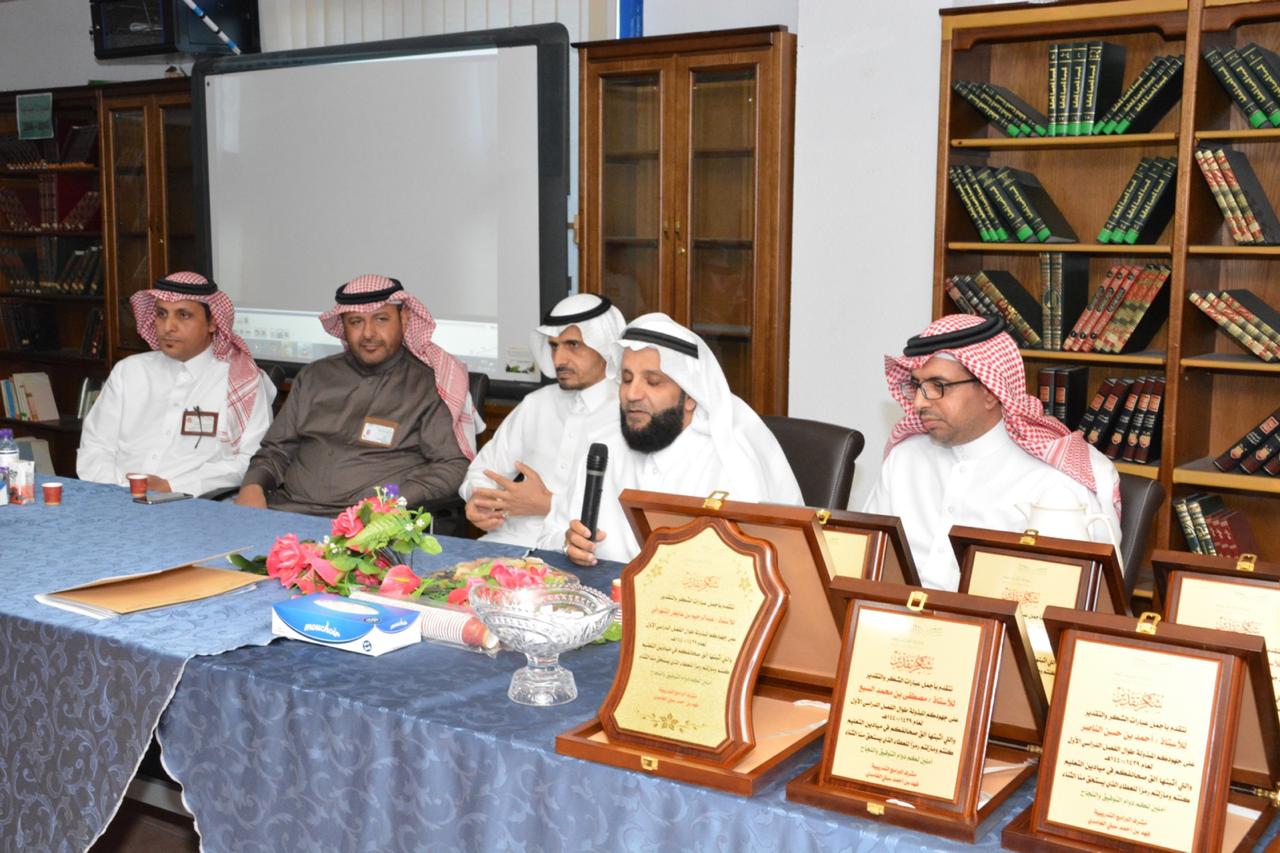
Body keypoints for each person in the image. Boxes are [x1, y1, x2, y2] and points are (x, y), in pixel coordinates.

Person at [864, 313, 1122, 591]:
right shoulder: (904, 460)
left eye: (938, 386)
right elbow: (868, 562)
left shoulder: (1055, 482)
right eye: (916, 385)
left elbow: (1077, 597)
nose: (919, 403)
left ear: (990, 391)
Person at [555, 312, 803, 566]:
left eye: (653, 382)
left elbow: (755, 569)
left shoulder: (729, 465)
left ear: (691, 396)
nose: (632, 394)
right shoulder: (602, 451)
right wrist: (569, 544)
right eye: (627, 379)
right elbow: (550, 534)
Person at [236, 274, 477, 515]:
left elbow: (452, 466)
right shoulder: (314, 376)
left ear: (404, 318)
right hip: (289, 510)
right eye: (356, 322)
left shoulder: (429, 385)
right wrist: (253, 486)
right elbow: (276, 449)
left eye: (381, 319)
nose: (368, 333)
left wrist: (393, 502)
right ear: (343, 325)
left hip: (375, 524)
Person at [77, 272, 275, 495]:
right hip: (115, 497)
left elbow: (250, 461)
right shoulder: (129, 371)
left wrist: (173, 487)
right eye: (161, 314)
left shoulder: (242, 380)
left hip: (193, 503)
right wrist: (118, 491)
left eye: (183, 315)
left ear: (212, 322)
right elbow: (95, 446)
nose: (168, 327)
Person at [460, 293, 625, 546]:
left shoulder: (630, 413)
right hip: (508, 543)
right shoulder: (537, 403)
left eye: (573, 345)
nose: (559, 359)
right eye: (554, 346)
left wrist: (548, 504)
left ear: (604, 344)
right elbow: (483, 471)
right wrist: (480, 500)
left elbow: (626, 511)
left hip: (585, 552)